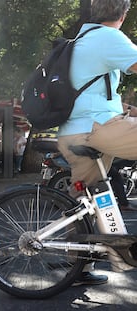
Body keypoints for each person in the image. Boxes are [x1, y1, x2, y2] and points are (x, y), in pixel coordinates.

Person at [57, 0, 137, 286]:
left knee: (88, 199)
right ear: (123, 14)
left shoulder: (83, 38)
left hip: (72, 132)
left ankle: (79, 267)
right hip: (94, 130)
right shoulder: (108, 36)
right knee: (89, 197)